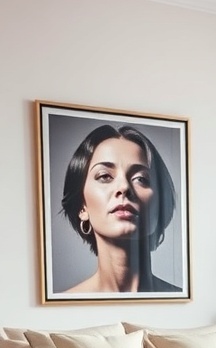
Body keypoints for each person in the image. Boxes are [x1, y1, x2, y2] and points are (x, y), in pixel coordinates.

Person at [60, 123, 181, 293]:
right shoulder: (64, 307)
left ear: (160, 204)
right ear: (82, 207)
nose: (124, 187)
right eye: (105, 176)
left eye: (141, 179)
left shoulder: (184, 301)